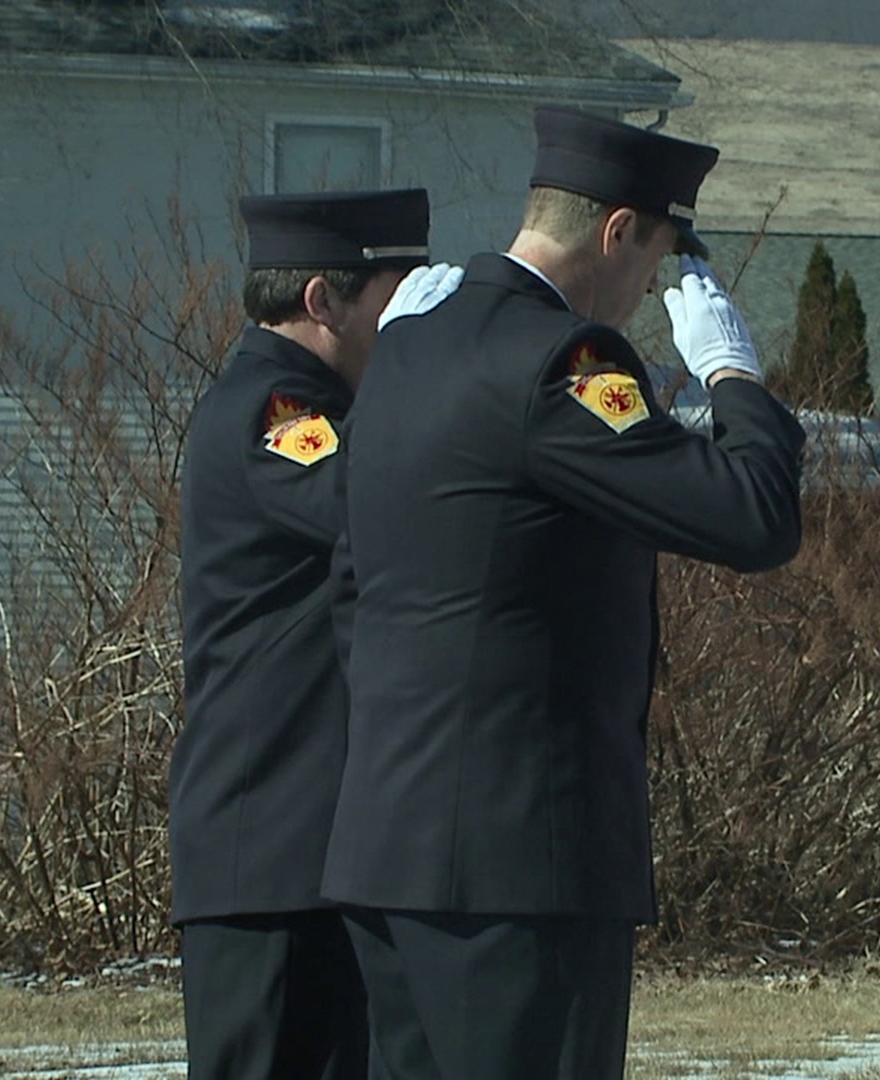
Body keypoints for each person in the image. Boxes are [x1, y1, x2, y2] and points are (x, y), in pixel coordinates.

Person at [321, 106, 806, 1079]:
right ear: (618, 231)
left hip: (388, 844)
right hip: (516, 868)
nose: (648, 286)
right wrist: (731, 373)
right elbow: (753, 515)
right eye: (658, 255)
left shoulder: (415, 342)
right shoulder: (565, 362)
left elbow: (351, 578)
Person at [170, 187, 452, 1080]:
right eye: (392, 301)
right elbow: (370, 502)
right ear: (324, 302)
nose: (404, 323)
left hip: (313, 850)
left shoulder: (315, 404)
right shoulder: (276, 410)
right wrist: (424, 367)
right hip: (269, 854)